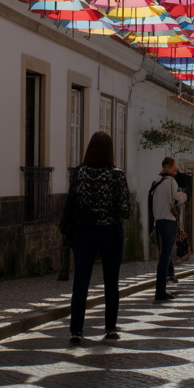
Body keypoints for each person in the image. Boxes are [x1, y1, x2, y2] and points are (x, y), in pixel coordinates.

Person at [61, 131, 130, 343]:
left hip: (83, 231)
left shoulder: (79, 173)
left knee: (81, 282)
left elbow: (72, 201)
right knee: (111, 281)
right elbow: (125, 209)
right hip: (110, 231)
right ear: (110, 151)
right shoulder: (116, 175)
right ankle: (109, 328)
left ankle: (76, 330)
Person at [148, 156, 187, 302]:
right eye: (175, 166)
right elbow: (175, 198)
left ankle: (162, 288)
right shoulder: (171, 181)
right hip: (169, 222)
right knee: (165, 257)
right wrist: (184, 196)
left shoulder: (156, 182)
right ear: (170, 167)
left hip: (158, 222)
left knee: (163, 256)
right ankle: (160, 292)